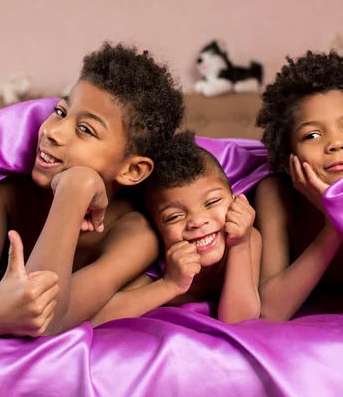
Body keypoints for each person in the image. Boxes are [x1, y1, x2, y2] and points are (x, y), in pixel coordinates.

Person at [0, 42, 184, 337]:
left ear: (132, 170)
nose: (52, 131)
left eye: (85, 130)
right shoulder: (6, 196)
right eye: (60, 111)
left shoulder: (136, 234)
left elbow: (48, 324)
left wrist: (75, 189)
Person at [253, 50, 343, 321]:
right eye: (312, 135)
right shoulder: (275, 193)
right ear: (288, 158)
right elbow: (270, 311)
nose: (336, 143)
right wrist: (335, 224)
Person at [92, 132, 261, 325]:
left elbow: (240, 321)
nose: (197, 221)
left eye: (212, 202)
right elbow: (98, 317)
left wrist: (240, 246)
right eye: (175, 216)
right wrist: (170, 284)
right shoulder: (154, 260)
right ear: (157, 228)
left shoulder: (245, 239)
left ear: (235, 200)